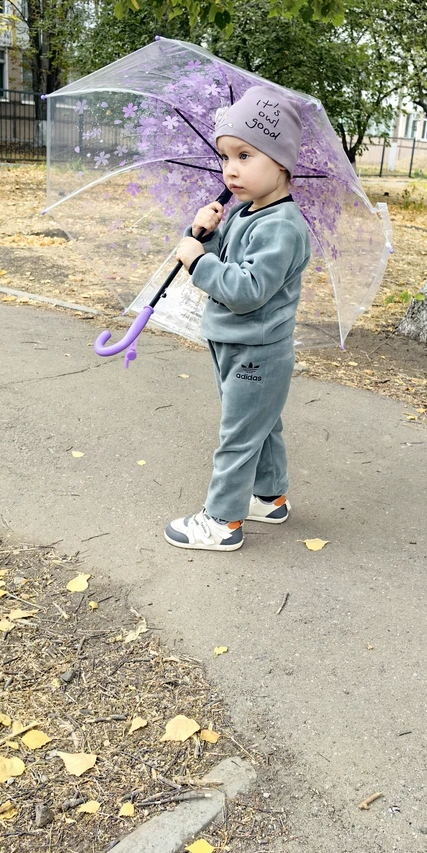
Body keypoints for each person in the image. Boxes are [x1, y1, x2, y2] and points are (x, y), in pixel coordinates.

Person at [164, 86, 311, 551]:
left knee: (238, 435)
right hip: (234, 343)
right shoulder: (248, 213)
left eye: (245, 155)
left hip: (257, 351)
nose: (231, 168)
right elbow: (227, 263)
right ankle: (269, 497)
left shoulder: (281, 227)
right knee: (259, 426)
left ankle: (222, 522)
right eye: (226, 156)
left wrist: (197, 262)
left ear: (282, 163)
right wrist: (203, 236)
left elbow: (246, 291)